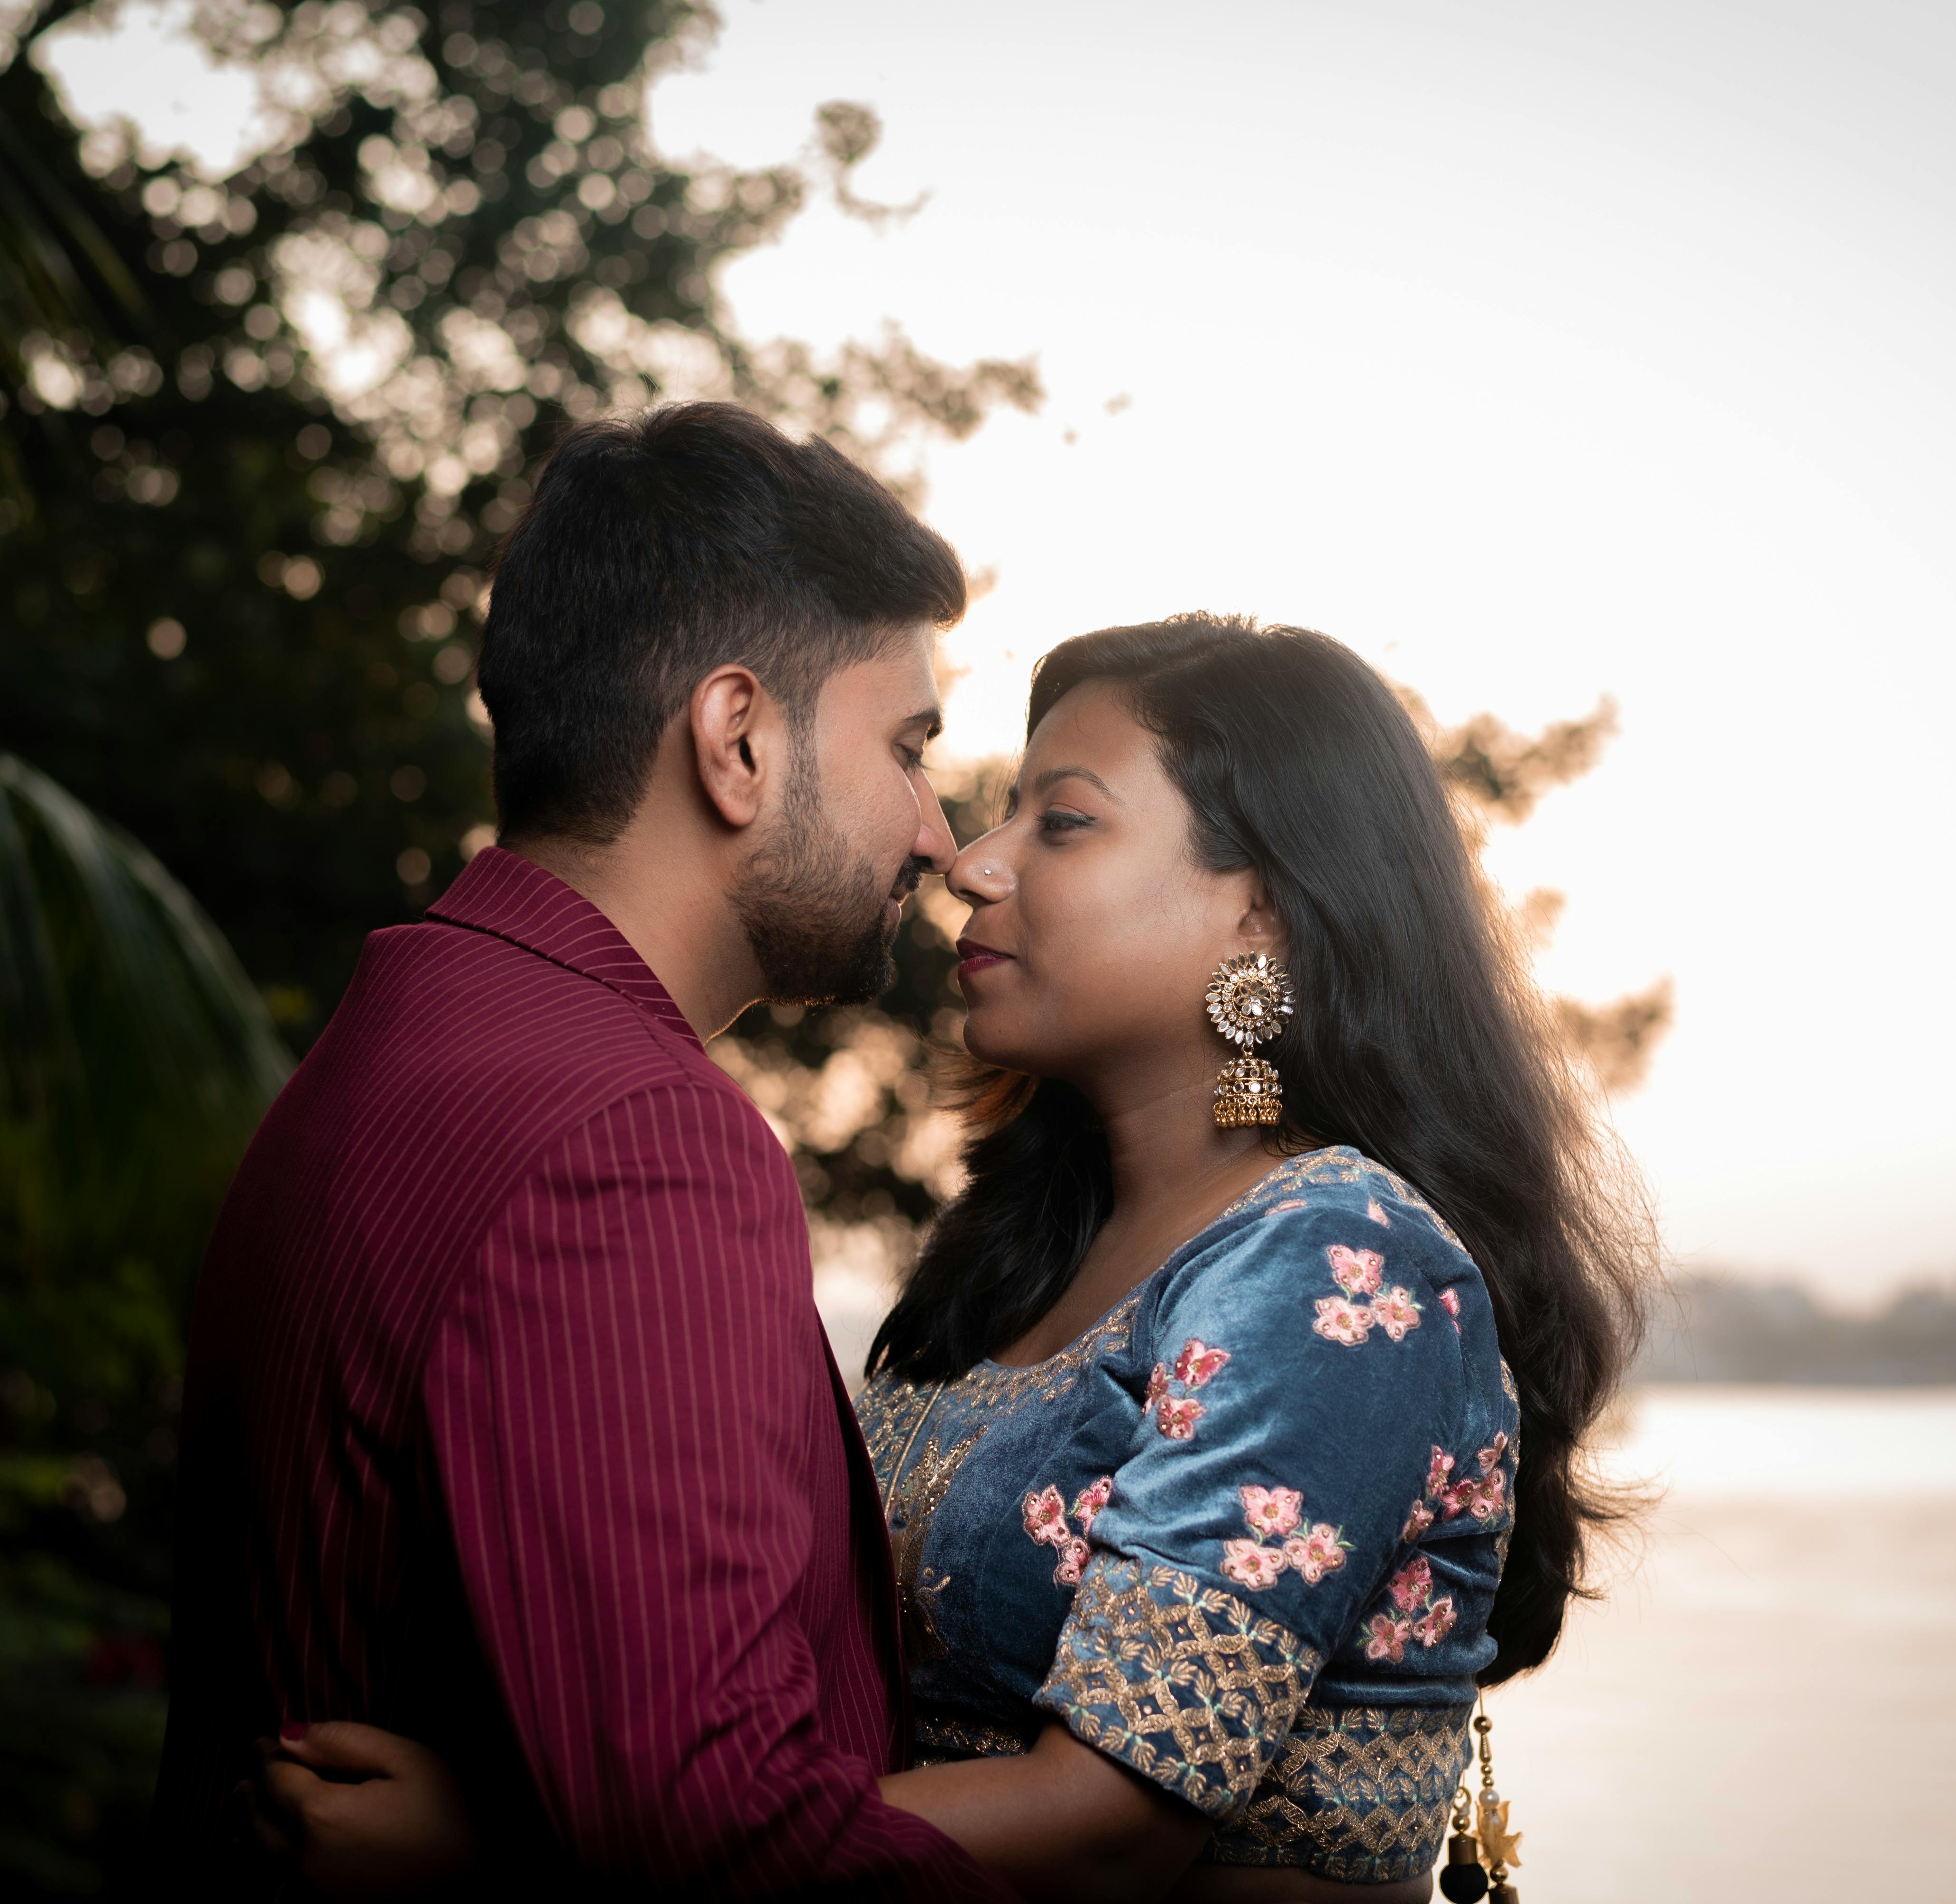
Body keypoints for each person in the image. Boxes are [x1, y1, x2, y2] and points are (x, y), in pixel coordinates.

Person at [250, 614, 1654, 1900]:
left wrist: (517, 1854)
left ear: (1263, 913)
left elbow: (1106, 1824)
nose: (970, 864)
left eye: (1064, 822)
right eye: (996, 813)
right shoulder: (1023, 1260)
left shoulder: (1341, 1259)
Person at [152, 402, 1017, 1900]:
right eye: (909, 747)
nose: (939, 836)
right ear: (737, 738)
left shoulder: (397, 1042)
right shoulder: (630, 1139)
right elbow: (733, 1845)